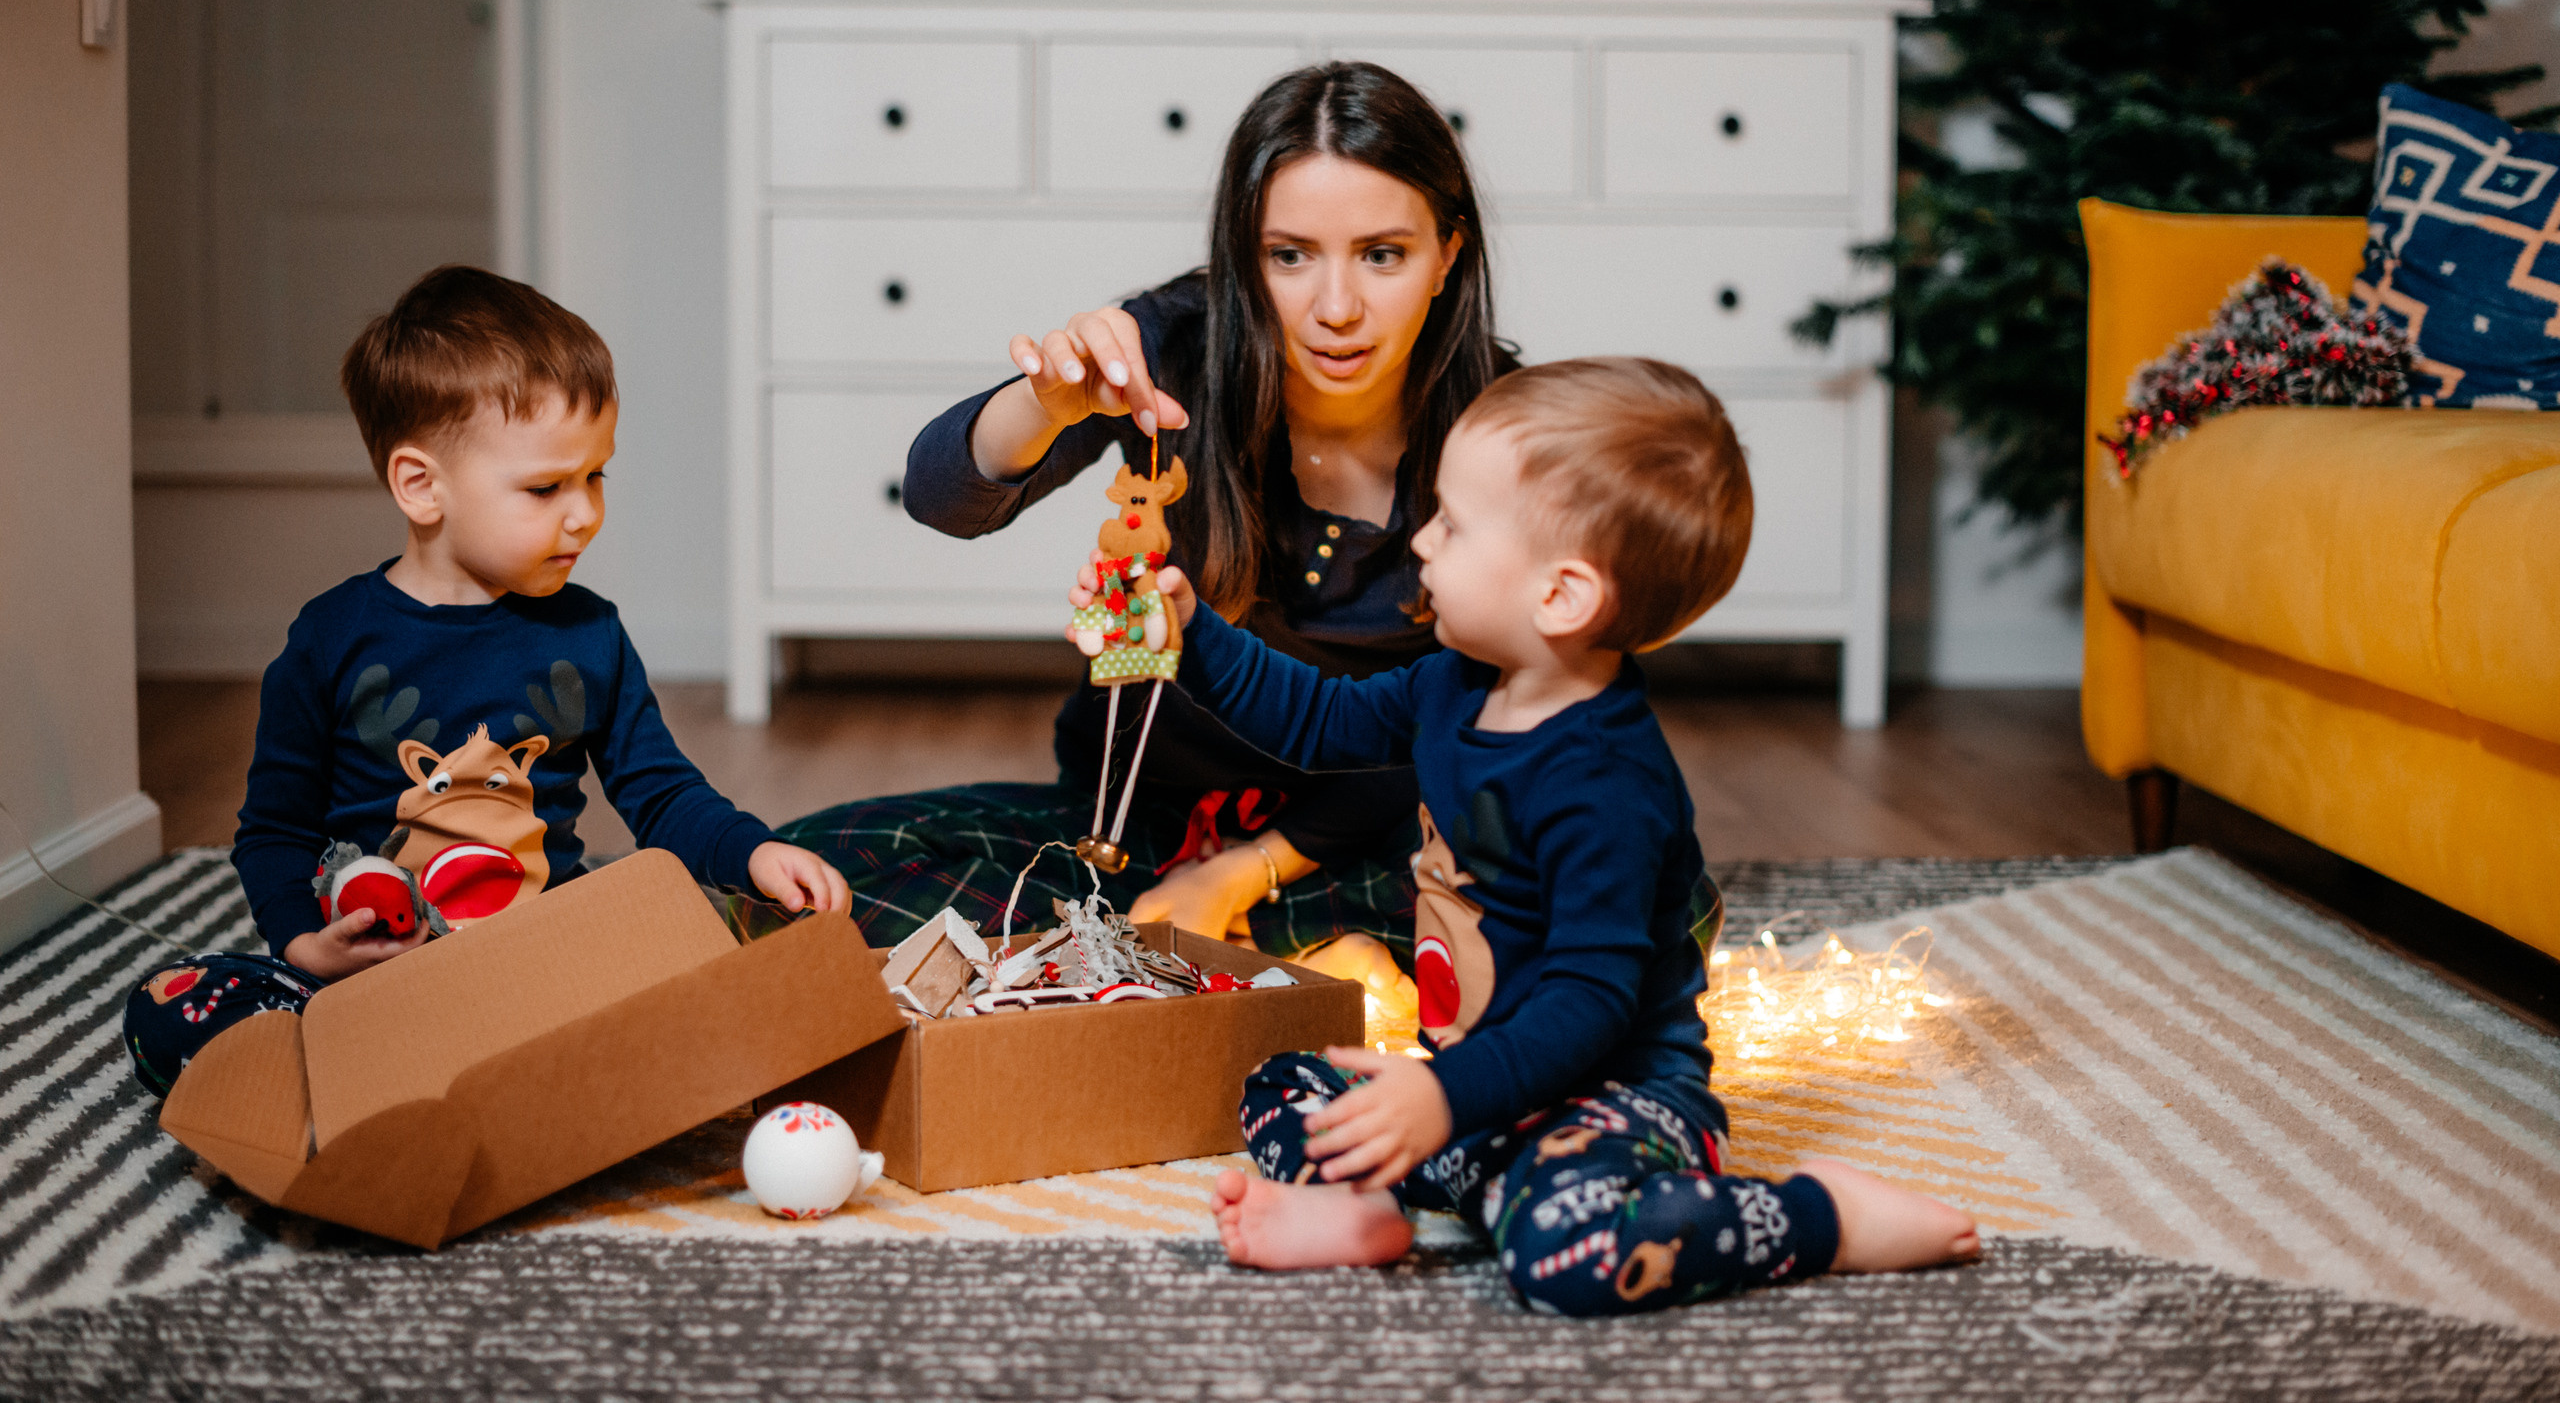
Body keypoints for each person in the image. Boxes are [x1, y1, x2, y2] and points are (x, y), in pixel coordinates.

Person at [1150, 357, 1978, 1313]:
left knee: (1565, 1255)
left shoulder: (1606, 782)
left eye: (1453, 524)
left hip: (1611, 1103)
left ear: (1562, 596)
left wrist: (1445, 1099)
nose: (1420, 537)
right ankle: (1366, 1210)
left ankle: (1818, 1214)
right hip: (1478, 1093)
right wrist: (1189, 631)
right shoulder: (1451, 684)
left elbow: (1591, 998)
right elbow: (1314, 718)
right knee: (1284, 1081)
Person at [775, 63, 1515, 972]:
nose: (1336, 308)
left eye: (1382, 254)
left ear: (1448, 251)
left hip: (1367, 834)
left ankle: (1179, 951)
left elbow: (1473, 716)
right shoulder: (1172, 343)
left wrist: (1244, 873)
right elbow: (939, 498)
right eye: (1289, 255)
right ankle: (1259, 958)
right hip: (1133, 826)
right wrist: (1048, 401)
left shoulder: (1506, 429)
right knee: (806, 876)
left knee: (1645, 895)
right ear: (1244, 257)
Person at [123, 266, 849, 1096]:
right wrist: (304, 945)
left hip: (544, 969)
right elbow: (274, 832)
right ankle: (421, 1078)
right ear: (421, 485)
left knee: (718, 938)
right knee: (169, 1010)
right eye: (546, 487)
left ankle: (487, 1079)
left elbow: (661, 794)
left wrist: (752, 850)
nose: (584, 513)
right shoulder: (329, 639)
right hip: (377, 981)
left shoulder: (590, 633)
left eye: (595, 475)